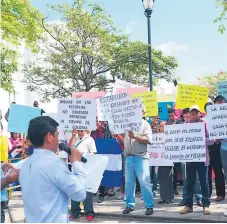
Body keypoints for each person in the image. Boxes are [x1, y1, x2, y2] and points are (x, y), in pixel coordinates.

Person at [19, 116, 86, 223]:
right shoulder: (55, 165)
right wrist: (76, 162)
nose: (58, 140)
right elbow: (80, 194)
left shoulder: (26, 164)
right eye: (57, 135)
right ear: (49, 136)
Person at [180, 105, 214, 215]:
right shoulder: (185, 126)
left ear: (200, 114)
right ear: (189, 115)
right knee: (189, 182)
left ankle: (206, 205)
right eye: (192, 114)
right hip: (190, 159)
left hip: (203, 158)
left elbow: (212, 141)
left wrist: (203, 138)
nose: (194, 116)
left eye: (196, 113)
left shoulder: (205, 125)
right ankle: (189, 206)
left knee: (204, 183)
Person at [122, 119, 154, 216]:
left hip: (141, 157)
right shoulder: (125, 123)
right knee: (128, 183)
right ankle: (129, 205)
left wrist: (135, 136)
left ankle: (149, 206)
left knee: (144, 182)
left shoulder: (145, 124)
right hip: (128, 157)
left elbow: (149, 140)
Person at [68, 129, 97, 221]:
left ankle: (89, 212)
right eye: (79, 131)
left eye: (82, 131)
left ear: (86, 130)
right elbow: (69, 148)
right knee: (75, 190)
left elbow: (93, 153)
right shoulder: (75, 139)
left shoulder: (90, 139)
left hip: (85, 169)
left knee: (87, 191)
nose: (80, 133)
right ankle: (75, 212)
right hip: (75, 168)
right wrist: (73, 136)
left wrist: (82, 155)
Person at [178, 108, 203, 207]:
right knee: (186, 178)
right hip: (185, 157)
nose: (187, 118)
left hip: (197, 156)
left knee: (197, 178)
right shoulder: (181, 127)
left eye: (189, 116)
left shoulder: (200, 125)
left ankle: (199, 198)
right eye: (185, 117)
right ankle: (186, 199)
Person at [204, 101, 225, 201]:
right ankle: (207, 193)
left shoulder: (219, 120)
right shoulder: (203, 121)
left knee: (218, 170)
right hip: (206, 148)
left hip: (216, 147)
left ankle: (220, 194)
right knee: (207, 171)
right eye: (207, 109)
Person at [91, 119, 112, 203]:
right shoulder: (92, 132)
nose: (96, 123)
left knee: (103, 176)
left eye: (98, 121)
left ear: (102, 123)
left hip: (104, 156)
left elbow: (110, 142)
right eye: (95, 121)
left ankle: (102, 194)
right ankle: (96, 190)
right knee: (96, 175)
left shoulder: (106, 131)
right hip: (94, 156)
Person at [158, 121, 174, 204]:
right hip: (159, 161)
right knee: (161, 179)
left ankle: (169, 197)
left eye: (163, 126)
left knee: (168, 178)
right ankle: (163, 197)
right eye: (161, 126)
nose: (162, 128)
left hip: (168, 160)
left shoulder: (170, 137)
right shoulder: (156, 137)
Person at [167, 108, 181, 196]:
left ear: (175, 115)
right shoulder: (165, 124)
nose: (171, 117)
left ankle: (174, 188)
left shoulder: (179, 123)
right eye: (169, 116)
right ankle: (169, 189)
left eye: (172, 115)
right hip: (168, 150)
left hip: (176, 150)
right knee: (168, 171)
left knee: (175, 171)